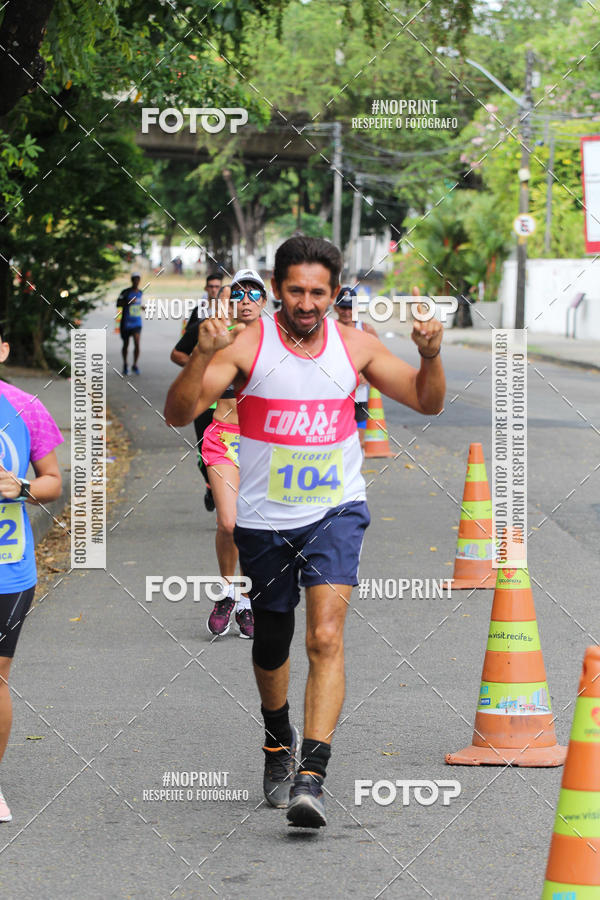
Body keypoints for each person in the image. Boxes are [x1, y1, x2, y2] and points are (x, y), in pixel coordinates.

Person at [164, 236, 445, 829]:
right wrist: (200, 355)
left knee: (324, 635)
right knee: (272, 640)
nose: (308, 303)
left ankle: (311, 776)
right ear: (277, 286)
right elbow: (179, 412)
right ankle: (276, 738)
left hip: (335, 510)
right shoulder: (247, 344)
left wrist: (431, 355)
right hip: (265, 519)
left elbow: (426, 400)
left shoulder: (357, 347)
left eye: (319, 291)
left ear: (334, 290)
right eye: (296, 290)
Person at [0, 329, 63, 822]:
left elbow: (52, 483)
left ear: (3, 350)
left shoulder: (25, 408)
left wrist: (19, 486)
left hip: (7, 567)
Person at [200, 272, 267, 640]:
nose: (245, 299)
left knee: (257, 530)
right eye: (238, 293)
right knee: (228, 523)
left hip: (263, 443)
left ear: (264, 301)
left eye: (253, 293)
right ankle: (229, 591)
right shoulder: (218, 337)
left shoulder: (278, 343)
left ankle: (247, 599)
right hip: (223, 438)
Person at [171, 273, 223, 512]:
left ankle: (229, 503)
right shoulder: (200, 324)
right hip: (204, 401)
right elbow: (177, 353)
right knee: (205, 452)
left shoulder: (246, 333)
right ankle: (211, 485)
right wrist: (196, 366)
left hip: (232, 406)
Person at [333, 285, 379, 449]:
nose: (347, 312)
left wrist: (366, 375)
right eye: (343, 307)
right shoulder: (328, 329)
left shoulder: (366, 329)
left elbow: (378, 359)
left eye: (350, 307)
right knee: (335, 440)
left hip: (359, 394)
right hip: (335, 394)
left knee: (358, 443)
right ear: (336, 307)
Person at [117, 273, 145, 375]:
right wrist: (128, 302)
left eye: (138, 280)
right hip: (126, 322)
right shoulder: (126, 292)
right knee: (126, 344)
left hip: (137, 322)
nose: (137, 282)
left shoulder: (140, 293)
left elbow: (137, 305)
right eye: (135, 280)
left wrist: (142, 307)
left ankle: (135, 364)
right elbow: (118, 303)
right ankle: (125, 364)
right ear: (132, 281)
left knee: (137, 343)